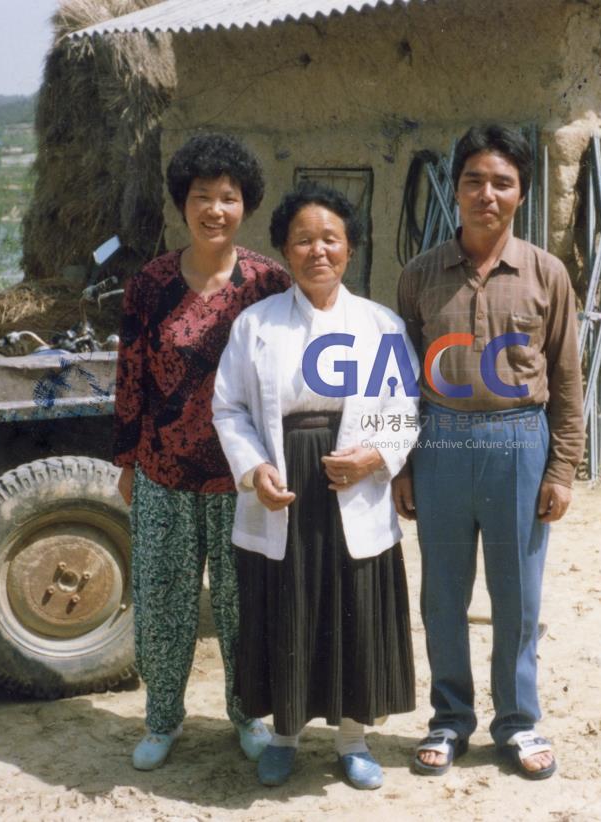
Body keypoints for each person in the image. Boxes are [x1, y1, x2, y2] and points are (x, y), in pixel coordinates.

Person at [212, 183, 418, 791]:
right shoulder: (255, 325)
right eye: (303, 240)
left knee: (353, 609)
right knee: (287, 606)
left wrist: (375, 455)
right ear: (284, 249)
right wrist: (254, 470)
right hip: (285, 485)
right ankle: (285, 735)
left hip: (352, 480)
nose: (317, 250)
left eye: (330, 238)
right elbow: (229, 410)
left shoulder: (380, 325)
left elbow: (403, 406)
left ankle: (353, 739)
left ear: (350, 247)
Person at [393, 125, 584, 780]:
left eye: (501, 182)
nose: (487, 194)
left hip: (518, 445)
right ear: (456, 191)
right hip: (440, 443)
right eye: (474, 180)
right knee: (442, 595)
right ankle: (449, 720)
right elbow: (399, 381)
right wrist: (401, 464)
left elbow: (565, 379)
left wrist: (561, 468)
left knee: (517, 597)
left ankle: (518, 721)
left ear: (520, 193)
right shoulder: (419, 276)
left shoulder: (545, 274)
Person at [114, 133, 290, 771]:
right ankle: (162, 719)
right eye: (201, 197)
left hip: (241, 478)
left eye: (228, 197)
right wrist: (127, 460)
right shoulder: (151, 284)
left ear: (245, 205)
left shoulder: (269, 284)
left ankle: (247, 715)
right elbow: (130, 373)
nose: (214, 209)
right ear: (181, 204)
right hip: (163, 474)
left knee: (245, 606)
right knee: (163, 602)